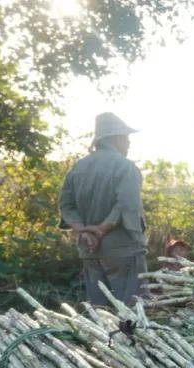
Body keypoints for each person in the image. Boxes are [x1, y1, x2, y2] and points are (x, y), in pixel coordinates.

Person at [58, 112, 146, 306]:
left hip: (89, 249)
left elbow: (66, 205)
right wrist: (101, 229)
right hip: (123, 250)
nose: (129, 143)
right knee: (131, 309)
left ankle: (103, 337)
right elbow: (125, 205)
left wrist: (83, 230)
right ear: (115, 138)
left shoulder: (78, 168)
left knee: (100, 309)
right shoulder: (125, 167)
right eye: (126, 138)